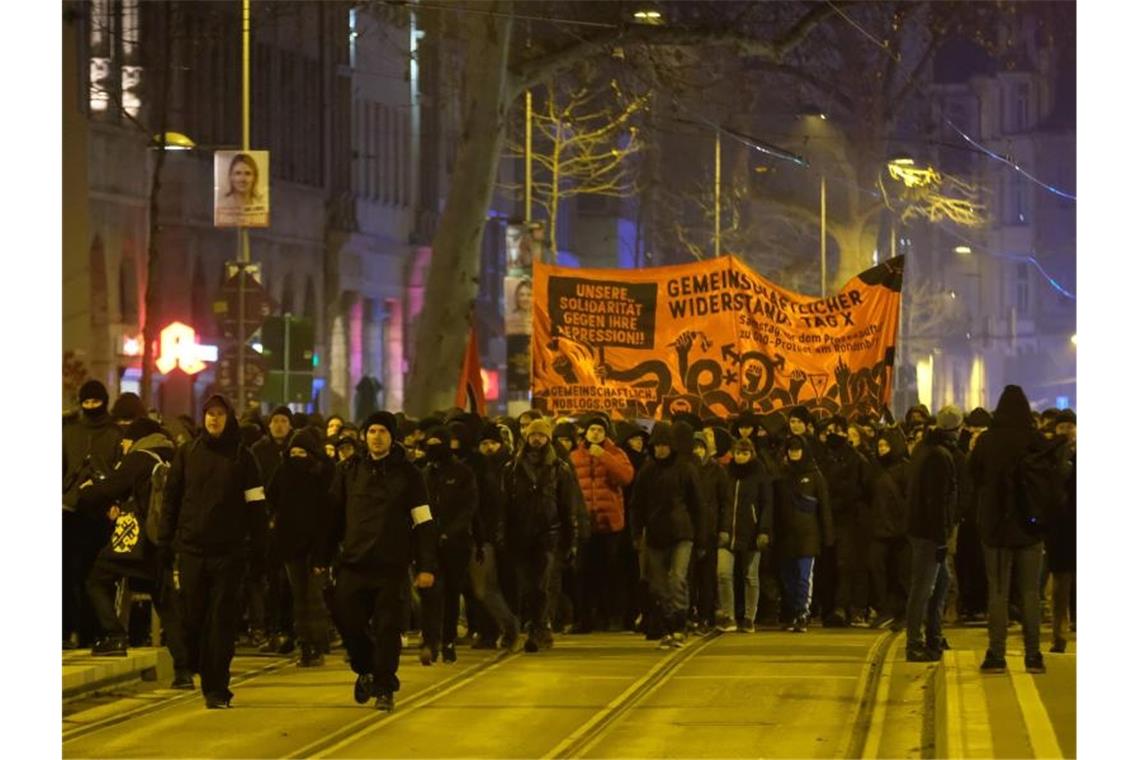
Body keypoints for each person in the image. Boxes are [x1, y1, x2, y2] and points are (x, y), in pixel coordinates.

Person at [319, 411, 438, 711]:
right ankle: (366, 669)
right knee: (348, 622)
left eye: (382, 431)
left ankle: (384, 686)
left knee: (388, 629)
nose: (376, 436)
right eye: (371, 430)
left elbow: (423, 521)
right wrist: (322, 555)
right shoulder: (349, 470)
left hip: (391, 566)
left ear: (392, 436)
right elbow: (332, 516)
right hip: (354, 563)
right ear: (364, 435)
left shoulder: (409, 475)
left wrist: (426, 565)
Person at [157, 394, 268, 708]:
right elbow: (171, 501)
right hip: (191, 549)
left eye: (219, 414)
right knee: (193, 615)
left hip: (229, 553)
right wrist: (165, 542)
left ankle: (216, 686)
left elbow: (256, 506)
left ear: (228, 418)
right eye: (209, 414)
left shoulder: (243, 458)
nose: (214, 419)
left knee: (221, 620)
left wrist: (259, 549)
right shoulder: (187, 454)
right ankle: (195, 662)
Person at [77, 417, 192, 688]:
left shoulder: (139, 457)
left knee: (96, 579)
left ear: (136, 438)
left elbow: (111, 488)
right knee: (166, 604)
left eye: (126, 441)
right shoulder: (175, 458)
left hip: (134, 542)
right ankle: (184, 671)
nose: (123, 446)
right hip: (163, 541)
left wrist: (88, 492)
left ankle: (115, 635)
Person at [969, 385, 1052, 674]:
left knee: (998, 592)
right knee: (1030, 592)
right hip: (1031, 527)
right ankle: (1033, 655)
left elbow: (974, 476)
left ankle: (996, 654)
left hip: (996, 527)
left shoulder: (988, 441)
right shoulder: (1036, 440)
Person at [501, 417, 579, 652]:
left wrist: (571, 539)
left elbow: (568, 506)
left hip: (549, 535)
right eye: (533, 435)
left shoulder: (560, 469)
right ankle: (534, 625)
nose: (537, 439)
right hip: (521, 535)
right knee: (526, 586)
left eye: (541, 435)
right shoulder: (512, 469)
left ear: (548, 438)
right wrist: (503, 533)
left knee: (543, 585)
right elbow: (504, 505)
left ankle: (540, 629)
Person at [629, 422, 704, 648]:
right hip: (655, 536)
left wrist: (700, 537)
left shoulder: (685, 469)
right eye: (657, 446)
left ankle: (679, 623)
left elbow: (698, 505)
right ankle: (669, 626)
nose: (660, 450)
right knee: (659, 585)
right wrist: (636, 533)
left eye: (664, 446)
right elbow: (636, 505)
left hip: (682, 534)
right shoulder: (647, 471)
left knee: (677, 579)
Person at [64, 380, 124, 649]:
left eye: (95, 402)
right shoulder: (68, 432)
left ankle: (93, 630)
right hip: (70, 510)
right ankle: (69, 629)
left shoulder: (114, 434)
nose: (90, 407)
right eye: (86, 403)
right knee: (69, 574)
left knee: (95, 575)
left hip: (101, 513)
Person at [266, 428, 333, 667]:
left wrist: (322, 554)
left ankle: (317, 644)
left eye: (301, 452)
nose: (296, 457)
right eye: (292, 452)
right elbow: (271, 498)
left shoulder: (321, 476)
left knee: (313, 598)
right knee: (299, 598)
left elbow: (327, 517)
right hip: (291, 546)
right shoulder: (283, 472)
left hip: (315, 547)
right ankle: (306, 645)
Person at [903, 407, 965, 662]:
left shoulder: (924, 450)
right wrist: (941, 538)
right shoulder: (940, 456)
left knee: (940, 584)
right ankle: (915, 643)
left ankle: (933, 635)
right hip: (930, 533)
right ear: (955, 429)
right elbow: (938, 502)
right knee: (923, 588)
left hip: (922, 530)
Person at [569, 415, 635, 633]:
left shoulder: (616, 454)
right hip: (586, 524)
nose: (595, 433)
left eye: (599, 430)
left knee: (611, 573)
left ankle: (612, 617)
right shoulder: (575, 456)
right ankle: (584, 618)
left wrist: (604, 456)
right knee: (583, 574)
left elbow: (625, 477)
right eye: (592, 430)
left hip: (610, 524)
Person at [418, 426, 477, 664]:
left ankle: (448, 641)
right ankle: (430, 641)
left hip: (456, 544)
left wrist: (451, 533)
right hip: (428, 543)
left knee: (452, 593)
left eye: (437, 442)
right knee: (430, 593)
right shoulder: (424, 473)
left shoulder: (463, 473)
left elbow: (469, 507)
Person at [774, 435, 833, 633]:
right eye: (791, 450)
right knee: (788, 576)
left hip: (808, 534)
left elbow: (824, 506)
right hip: (786, 534)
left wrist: (827, 535)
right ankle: (791, 611)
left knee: (803, 575)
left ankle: (802, 612)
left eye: (797, 449)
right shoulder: (781, 475)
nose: (794, 453)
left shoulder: (815, 475)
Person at [715, 438, 773, 633]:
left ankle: (749, 617)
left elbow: (766, 504)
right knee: (723, 573)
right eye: (738, 453)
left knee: (750, 576)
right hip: (727, 532)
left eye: (745, 453)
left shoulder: (759, 475)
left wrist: (763, 530)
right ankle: (729, 615)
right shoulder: (726, 474)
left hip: (751, 531)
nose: (740, 457)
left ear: (751, 454)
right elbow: (722, 503)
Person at [251, 406, 295, 654]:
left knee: (287, 581)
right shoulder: (260, 450)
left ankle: (288, 629)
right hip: (265, 525)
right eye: (275, 420)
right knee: (268, 581)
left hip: (289, 525)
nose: (279, 425)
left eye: (283, 420)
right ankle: (269, 628)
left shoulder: (296, 449)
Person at [866, 428, 910, 630]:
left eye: (886, 445)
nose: (882, 449)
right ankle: (885, 609)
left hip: (900, 532)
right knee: (878, 570)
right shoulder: (874, 469)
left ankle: (902, 611)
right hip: (878, 529)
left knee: (901, 572)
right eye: (880, 445)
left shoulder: (905, 470)